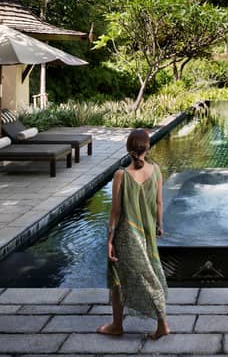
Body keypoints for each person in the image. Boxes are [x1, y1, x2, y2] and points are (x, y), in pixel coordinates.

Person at [97, 129, 170, 339]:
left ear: (129, 149)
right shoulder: (156, 170)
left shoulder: (121, 175)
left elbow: (116, 212)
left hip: (127, 235)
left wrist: (110, 239)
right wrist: (160, 226)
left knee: (119, 276)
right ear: (147, 148)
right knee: (150, 273)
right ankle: (157, 323)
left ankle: (119, 324)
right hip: (146, 233)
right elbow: (158, 203)